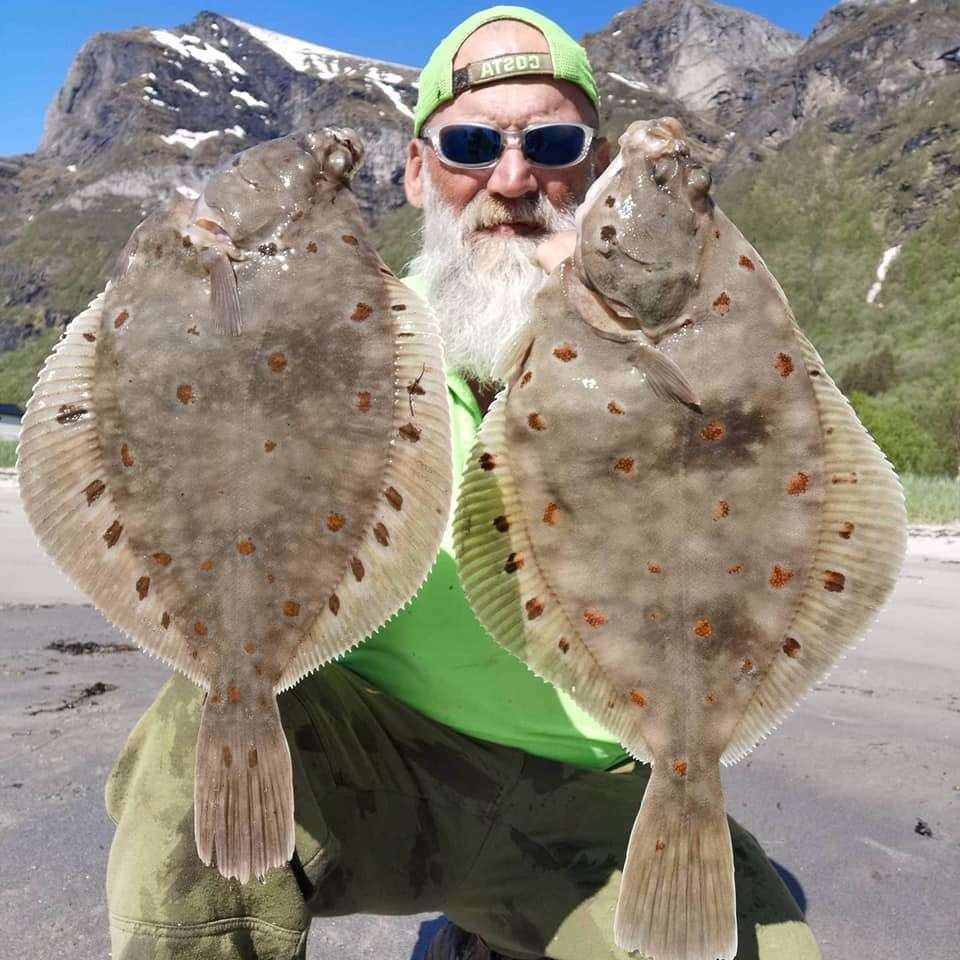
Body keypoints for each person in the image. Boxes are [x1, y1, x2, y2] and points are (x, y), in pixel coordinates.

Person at [105, 7, 822, 959]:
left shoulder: (686, 342)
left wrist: (615, 335)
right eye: (473, 144)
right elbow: (164, 431)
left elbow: (779, 484)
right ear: (416, 171)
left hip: (596, 790)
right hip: (368, 758)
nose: (514, 180)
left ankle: (487, 937)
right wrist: (158, 288)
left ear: (598, 165)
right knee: (198, 726)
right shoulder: (333, 340)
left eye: (554, 145)